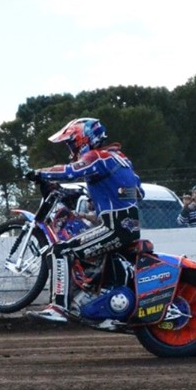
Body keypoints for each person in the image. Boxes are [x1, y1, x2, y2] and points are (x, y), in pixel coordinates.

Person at [24, 117, 144, 327]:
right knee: (93, 258)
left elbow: (71, 171)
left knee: (61, 250)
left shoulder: (97, 157)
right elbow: (139, 192)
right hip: (129, 226)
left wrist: (40, 173)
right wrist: (102, 196)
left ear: (83, 139)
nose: (71, 149)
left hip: (114, 227)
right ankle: (98, 305)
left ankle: (58, 308)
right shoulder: (120, 157)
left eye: (71, 143)